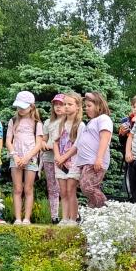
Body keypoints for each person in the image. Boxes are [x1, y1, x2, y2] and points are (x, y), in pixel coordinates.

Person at [6, 91, 43, 224]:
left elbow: (38, 144)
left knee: (28, 188)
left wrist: (27, 157)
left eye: (24, 107)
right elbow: (8, 141)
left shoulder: (37, 123)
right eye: (19, 107)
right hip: (15, 157)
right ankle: (17, 218)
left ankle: (27, 218)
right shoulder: (13, 120)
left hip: (30, 158)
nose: (20, 109)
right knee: (17, 188)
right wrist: (14, 155)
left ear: (32, 106)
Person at [77, 91, 114, 208]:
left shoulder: (104, 118)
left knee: (87, 187)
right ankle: (95, 214)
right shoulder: (91, 121)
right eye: (85, 106)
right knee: (89, 187)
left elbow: (105, 138)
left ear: (99, 106)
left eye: (89, 106)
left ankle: (105, 208)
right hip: (87, 161)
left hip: (95, 161)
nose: (86, 109)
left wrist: (99, 158)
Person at [55, 92, 85, 226]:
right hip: (60, 162)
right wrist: (57, 157)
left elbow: (77, 145)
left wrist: (64, 157)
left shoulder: (80, 125)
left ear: (77, 106)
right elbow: (54, 141)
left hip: (73, 162)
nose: (66, 107)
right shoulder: (60, 123)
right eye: (64, 104)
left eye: (69, 104)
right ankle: (64, 218)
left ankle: (73, 219)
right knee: (63, 191)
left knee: (70, 190)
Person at [118, 95, 136, 202]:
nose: (135, 109)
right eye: (134, 106)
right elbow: (122, 142)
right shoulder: (126, 120)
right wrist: (122, 134)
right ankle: (132, 200)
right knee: (130, 186)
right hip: (129, 157)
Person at [42, 94, 65, 223]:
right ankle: (54, 216)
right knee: (52, 188)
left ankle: (72, 215)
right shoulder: (48, 122)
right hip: (49, 157)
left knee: (65, 187)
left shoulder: (68, 122)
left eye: (61, 104)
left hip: (63, 158)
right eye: (56, 104)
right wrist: (44, 144)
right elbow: (44, 140)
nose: (58, 107)